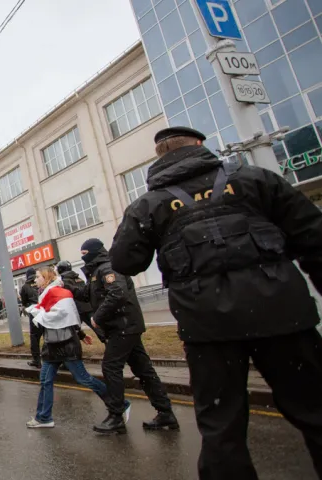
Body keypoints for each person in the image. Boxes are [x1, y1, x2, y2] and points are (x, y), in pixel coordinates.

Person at [109, 126, 322, 479]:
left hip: (208, 330)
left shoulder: (151, 205)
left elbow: (125, 261)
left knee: (221, 428)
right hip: (283, 317)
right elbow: (312, 236)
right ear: (199, 145)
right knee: (315, 409)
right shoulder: (254, 179)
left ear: (161, 156)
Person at [75, 238, 178, 434]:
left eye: (85, 253)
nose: (83, 258)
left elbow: (117, 293)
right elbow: (86, 294)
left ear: (94, 252)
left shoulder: (107, 268)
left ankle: (116, 416)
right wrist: (65, 283)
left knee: (111, 367)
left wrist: (97, 317)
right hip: (124, 326)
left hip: (122, 326)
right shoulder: (97, 271)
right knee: (143, 369)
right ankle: (165, 412)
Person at [25, 265, 116, 429]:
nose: (35, 280)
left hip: (65, 344)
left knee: (83, 378)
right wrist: (80, 334)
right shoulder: (48, 292)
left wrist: (37, 313)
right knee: (45, 380)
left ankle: (118, 404)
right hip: (54, 344)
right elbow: (65, 317)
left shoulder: (57, 292)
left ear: (46, 278)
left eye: (38, 277)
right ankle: (43, 417)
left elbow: (64, 316)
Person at [56, 260, 104, 342]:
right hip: (88, 306)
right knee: (98, 328)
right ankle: (107, 341)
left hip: (77, 309)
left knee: (73, 330)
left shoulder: (64, 281)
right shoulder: (78, 278)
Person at [20, 267, 42, 368]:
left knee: (34, 337)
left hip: (34, 313)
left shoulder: (25, 286)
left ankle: (37, 360)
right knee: (49, 334)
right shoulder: (41, 282)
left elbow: (24, 301)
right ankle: (55, 357)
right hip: (44, 310)